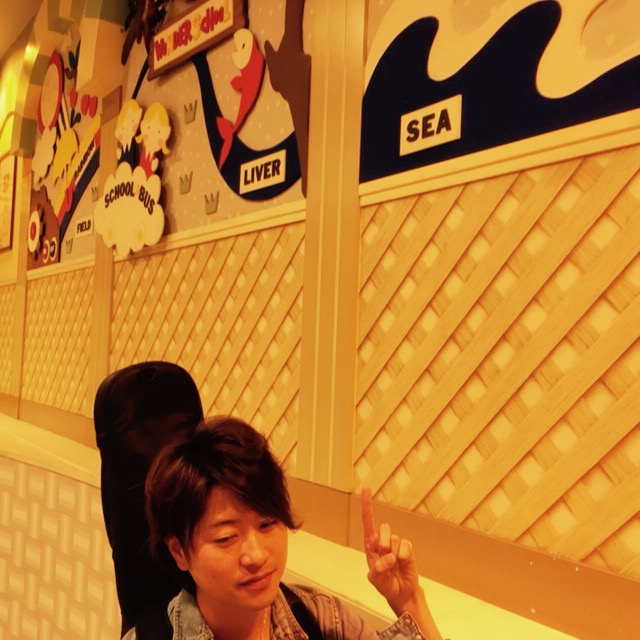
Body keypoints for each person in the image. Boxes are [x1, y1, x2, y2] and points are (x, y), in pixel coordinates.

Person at [122, 416, 443, 640]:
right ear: (179, 551)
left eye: (267, 523)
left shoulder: (320, 618)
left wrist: (409, 600)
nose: (257, 555)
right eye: (226, 537)